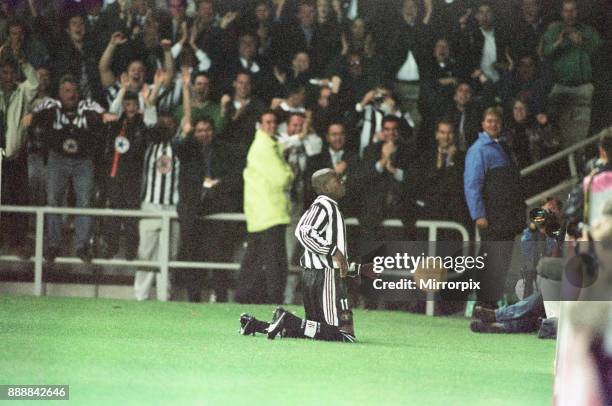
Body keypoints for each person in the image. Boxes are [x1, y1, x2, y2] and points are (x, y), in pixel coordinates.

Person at [239, 168, 360, 342]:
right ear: (325, 187)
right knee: (344, 335)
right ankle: (288, 319)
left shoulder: (319, 206)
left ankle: (257, 325)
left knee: (314, 330)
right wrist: (335, 252)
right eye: (337, 179)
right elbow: (304, 232)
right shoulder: (325, 207)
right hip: (324, 276)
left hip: (314, 274)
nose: (342, 182)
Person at [29, 74, 116, 263]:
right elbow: (37, 108)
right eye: (66, 91)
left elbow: (100, 112)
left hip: (83, 160)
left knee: (85, 201)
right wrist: (32, 115)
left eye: (74, 91)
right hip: (57, 158)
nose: (71, 95)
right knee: (53, 200)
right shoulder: (52, 104)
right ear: (60, 93)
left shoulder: (87, 105)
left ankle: (82, 245)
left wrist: (104, 116)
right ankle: (53, 244)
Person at [464, 107, 525, 308]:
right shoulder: (478, 150)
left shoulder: (503, 147)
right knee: (491, 261)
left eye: (496, 121)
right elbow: (472, 185)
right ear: (483, 124)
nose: (493, 124)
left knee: (502, 261)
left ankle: (491, 305)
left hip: (506, 217)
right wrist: (479, 215)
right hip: (491, 216)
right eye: (489, 121)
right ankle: (484, 305)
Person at [236, 111, 294, 304]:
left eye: (274, 122)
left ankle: (243, 297)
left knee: (255, 259)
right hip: (270, 212)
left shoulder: (266, 145)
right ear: (260, 125)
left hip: (262, 212)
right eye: (267, 122)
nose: (272, 126)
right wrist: (290, 171)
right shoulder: (264, 146)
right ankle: (274, 299)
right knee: (275, 262)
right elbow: (282, 179)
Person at [133, 112, 181, 301]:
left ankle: (164, 297)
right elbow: (146, 121)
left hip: (173, 207)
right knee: (145, 252)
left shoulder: (180, 147)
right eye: (163, 124)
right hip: (150, 205)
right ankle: (140, 296)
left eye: (170, 124)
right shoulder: (148, 145)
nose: (166, 128)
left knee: (169, 256)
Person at [543, 0, 601, 152]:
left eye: (573, 10)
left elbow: (600, 51)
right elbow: (545, 53)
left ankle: (580, 167)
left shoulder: (587, 30)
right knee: (561, 136)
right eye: (566, 11)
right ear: (562, 13)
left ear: (578, 12)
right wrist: (560, 42)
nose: (570, 14)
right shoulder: (555, 30)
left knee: (580, 136)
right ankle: (564, 170)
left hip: (583, 88)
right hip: (561, 88)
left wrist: (583, 42)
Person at [0, 52, 38, 257]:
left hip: (16, 153)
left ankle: (18, 243)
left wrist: (22, 60)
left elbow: (34, 82)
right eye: (3, 72)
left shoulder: (22, 91)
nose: (7, 77)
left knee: (18, 198)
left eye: (10, 73)